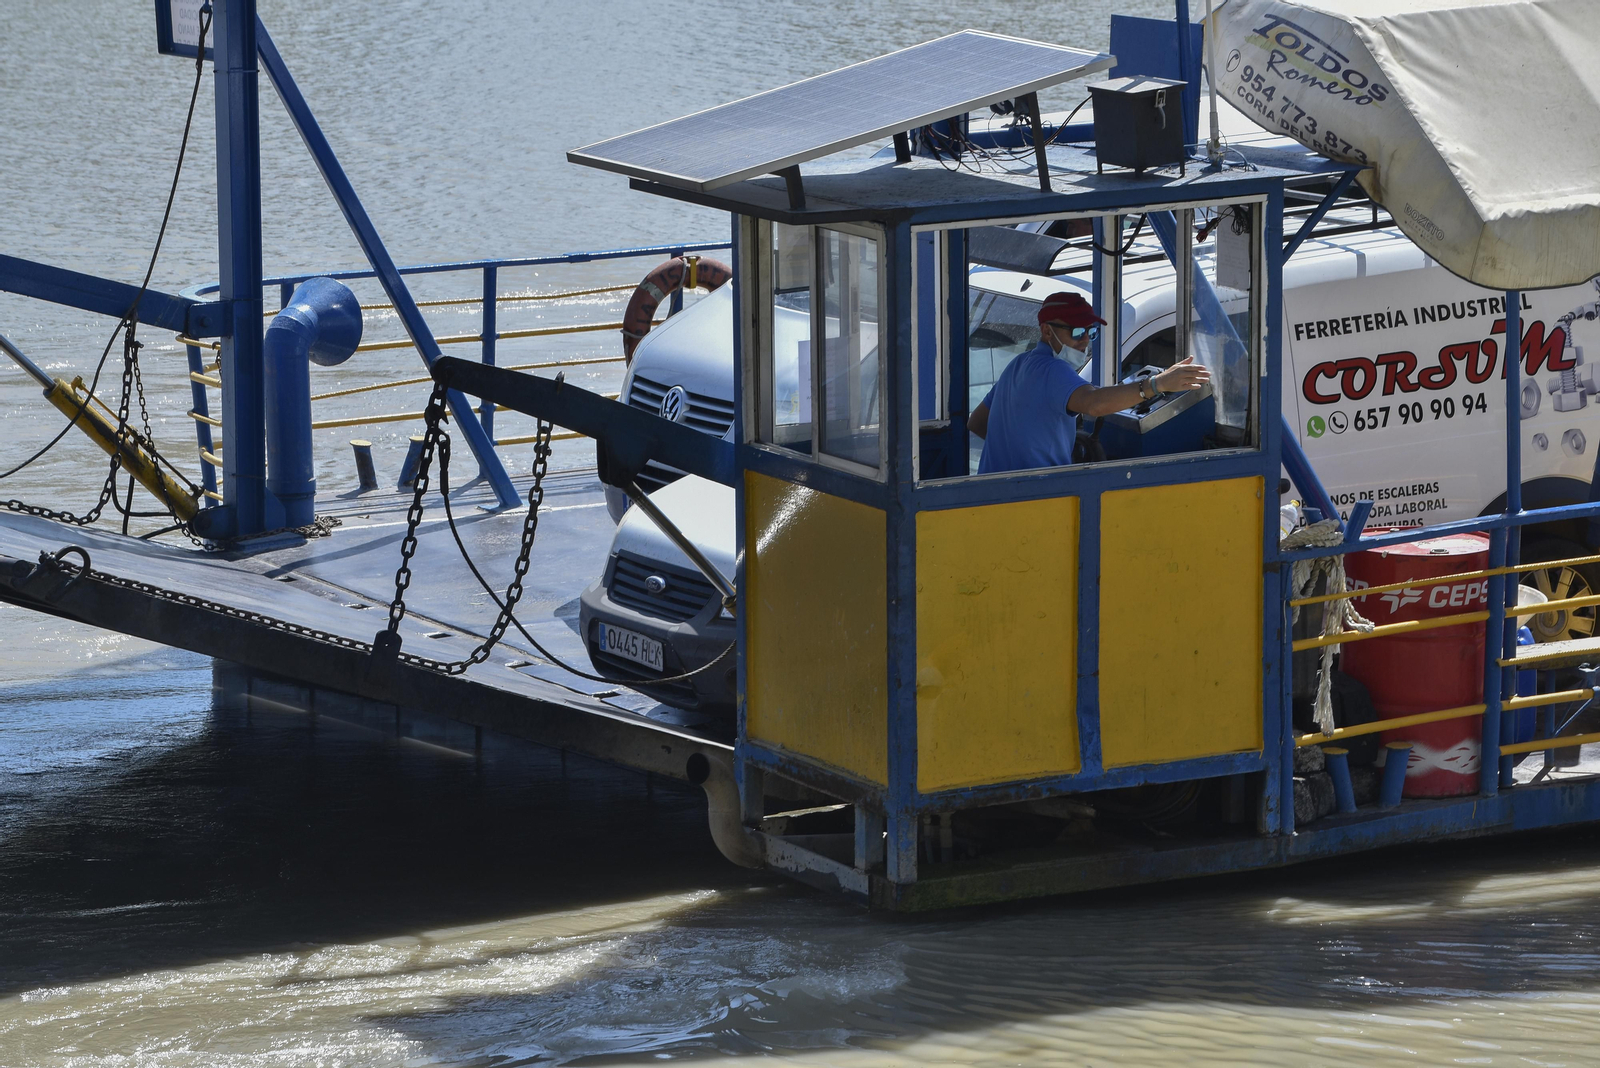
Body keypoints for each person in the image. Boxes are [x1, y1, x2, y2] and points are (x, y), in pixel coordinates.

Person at [968, 291, 1210, 474]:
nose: (1085, 339)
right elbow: (1094, 404)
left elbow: (976, 421)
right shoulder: (1053, 370)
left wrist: (1016, 454)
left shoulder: (1018, 365)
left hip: (993, 496)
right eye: (1076, 332)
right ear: (1046, 331)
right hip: (1033, 502)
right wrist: (1157, 384)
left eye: (1090, 331)